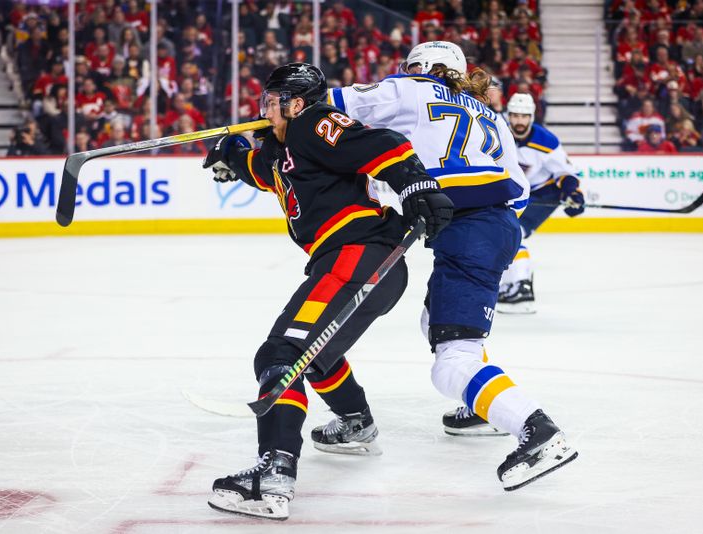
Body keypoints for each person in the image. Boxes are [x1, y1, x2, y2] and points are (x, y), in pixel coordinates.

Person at [201, 63, 452, 520]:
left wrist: (416, 183)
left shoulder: (312, 124)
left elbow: (382, 143)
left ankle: (274, 474)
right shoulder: (284, 148)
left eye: (272, 100)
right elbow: (261, 171)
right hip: (363, 263)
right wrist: (231, 154)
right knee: (319, 354)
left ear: (296, 103)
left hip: (357, 255)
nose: (264, 108)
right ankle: (356, 423)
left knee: (283, 354)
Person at [326, 41, 577, 491]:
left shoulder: (409, 90)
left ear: (419, 68)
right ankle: (483, 408)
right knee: (433, 323)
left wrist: (279, 117)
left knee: (450, 362)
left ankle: (537, 431)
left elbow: (335, 103)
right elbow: (519, 190)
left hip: (470, 234)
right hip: (496, 227)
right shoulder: (489, 113)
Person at [497, 93, 584, 313]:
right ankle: (510, 284)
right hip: (512, 194)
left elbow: (565, 173)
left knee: (513, 233)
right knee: (500, 234)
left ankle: (522, 285)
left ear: (532, 117)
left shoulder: (546, 141)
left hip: (541, 194)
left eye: (524, 116)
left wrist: (573, 193)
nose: (519, 121)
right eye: (515, 115)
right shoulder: (497, 132)